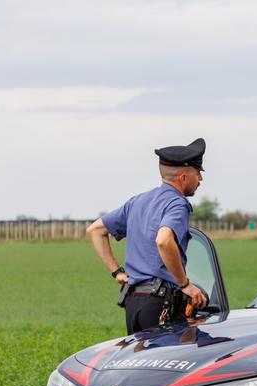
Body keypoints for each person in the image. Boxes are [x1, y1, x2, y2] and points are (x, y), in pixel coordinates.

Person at [86, 138, 208, 334]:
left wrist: (116, 272)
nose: (201, 179)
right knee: (168, 364)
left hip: (134, 302)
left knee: (140, 363)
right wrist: (184, 284)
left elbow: (95, 230)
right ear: (183, 177)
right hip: (161, 304)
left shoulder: (138, 201)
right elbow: (164, 240)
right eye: (198, 173)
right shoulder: (177, 204)